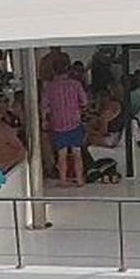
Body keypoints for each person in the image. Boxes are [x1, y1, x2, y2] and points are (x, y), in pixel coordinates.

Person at [41, 56, 88, 187]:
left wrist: (44, 120)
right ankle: (79, 180)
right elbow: (84, 102)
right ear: (68, 69)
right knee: (77, 153)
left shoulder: (49, 87)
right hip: (75, 123)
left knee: (62, 155)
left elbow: (44, 106)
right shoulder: (76, 84)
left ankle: (63, 180)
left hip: (57, 125)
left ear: (53, 70)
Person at [0, 102, 29, 171]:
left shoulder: (6, 130)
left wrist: (11, 166)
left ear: (1, 115)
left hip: (7, 167)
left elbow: (21, 150)